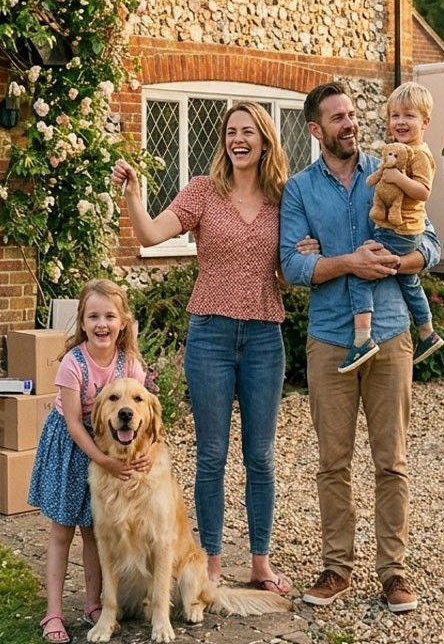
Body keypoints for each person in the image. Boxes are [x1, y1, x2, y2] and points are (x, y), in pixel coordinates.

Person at [110, 100, 292, 595]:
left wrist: (309, 255)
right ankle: (209, 564)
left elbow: (292, 271)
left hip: (263, 337)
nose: (238, 138)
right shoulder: (202, 193)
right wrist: (134, 194)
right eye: (231, 131)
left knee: (261, 456)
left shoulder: (283, 198)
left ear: (264, 140)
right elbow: (149, 235)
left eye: (248, 131)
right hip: (210, 335)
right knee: (212, 455)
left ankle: (260, 563)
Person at [279, 81, 440, 615]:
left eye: (351, 115)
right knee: (333, 462)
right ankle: (336, 568)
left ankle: (394, 573)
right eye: (337, 118)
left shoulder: (394, 165)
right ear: (315, 130)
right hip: (329, 339)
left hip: (391, 333)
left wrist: (390, 263)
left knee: (391, 460)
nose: (349, 124)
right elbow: (293, 264)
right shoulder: (300, 189)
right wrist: (348, 262)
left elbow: (432, 245)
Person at [28, 278, 148, 643]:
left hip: (109, 450)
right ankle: (53, 613)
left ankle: (94, 604)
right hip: (72, 449)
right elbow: (73, 424)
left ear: (123, 321)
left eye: (110, 316)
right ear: (81, 322)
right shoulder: (72, 363)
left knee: (97, 535)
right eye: (93, 316)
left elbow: (141, 416)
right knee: (62, 533)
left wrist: (142, 457)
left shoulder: (130, 365)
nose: (102, 324)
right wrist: (103, 460)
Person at [340, 81, 444, 373]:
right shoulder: (396, 152)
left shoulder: (420, 155)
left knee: (361, 271)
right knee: (408, 281)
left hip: (400, 231)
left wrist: (397, 178)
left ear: (425, 121)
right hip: (399, 229)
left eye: (409, 116)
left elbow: (424, 191)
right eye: (395, 115)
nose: (400, 121)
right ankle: (427, 332)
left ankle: (363, 339)